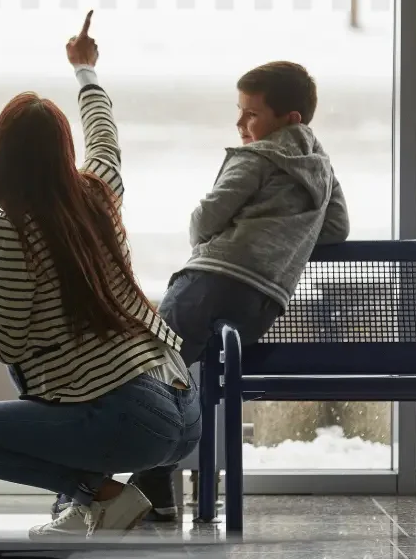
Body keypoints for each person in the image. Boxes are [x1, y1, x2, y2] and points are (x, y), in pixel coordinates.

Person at [0, 12, 201, 540]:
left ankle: (100, 495)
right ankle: (89, 504)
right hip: (183, 406)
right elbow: (104, 134)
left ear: (4, 158)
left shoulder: (13, 231)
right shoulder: (101, 191)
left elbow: (7, 340)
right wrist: (85, 70)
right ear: (63, 149)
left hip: (131, 420)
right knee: (37, 370)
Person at [60, 60, 351, 522]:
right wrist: (285, 234)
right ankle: (156, 486)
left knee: (148, 371)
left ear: (288, 119)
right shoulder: (321, 168)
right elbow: (336, 229)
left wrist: (221, 230)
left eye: (250, 114)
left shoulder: (255, 158)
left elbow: (205, 221)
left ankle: (88, 491)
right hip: (261, 303)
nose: (240, 124)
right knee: (174, 382)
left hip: (209, 283)